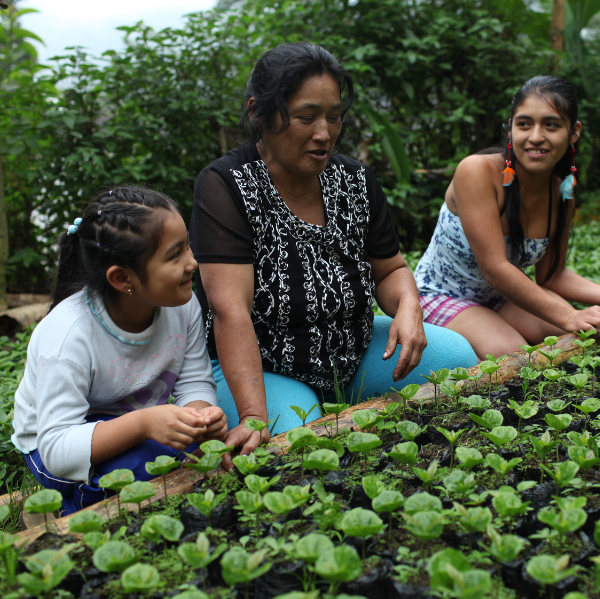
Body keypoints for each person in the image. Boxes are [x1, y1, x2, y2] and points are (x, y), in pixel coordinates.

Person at [190, 42, 477, 461]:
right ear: (258, 113)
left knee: (456, 357)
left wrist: (409, 306)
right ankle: (284, 406)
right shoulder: (226, 186)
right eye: (306, 117)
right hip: (265, 364)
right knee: (296, 440)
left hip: (352, 348)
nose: (324, 133)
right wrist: (253, 415)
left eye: (334, 116)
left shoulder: (356, 180)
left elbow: (389, 270)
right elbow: (230, 310)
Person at [12, 186, 227, 515]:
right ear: (122, 278)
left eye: (187, 247)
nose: (192, 263)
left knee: (198, 451)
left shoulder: (182, 307)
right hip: (53, 444)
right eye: (175, 255)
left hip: (129, 424)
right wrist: (142, 424)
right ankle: (71, 508)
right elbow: (56, 447)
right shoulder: (69, 336)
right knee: (139, 470)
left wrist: (200, 416)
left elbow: (195, 381)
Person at [414, 76, 600, 361]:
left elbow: (554, 276)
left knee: (586, 332)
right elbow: (496, 268)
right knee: (512, 354)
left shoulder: (563, 191)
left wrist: (576, 316)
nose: (536, 136)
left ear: (574, 131)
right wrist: (569, 314)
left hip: (503, 297)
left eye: (551, 124)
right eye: (525, 124)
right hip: (441, 294)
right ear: (511, 128)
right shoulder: (477, 171)